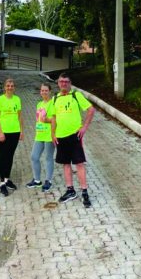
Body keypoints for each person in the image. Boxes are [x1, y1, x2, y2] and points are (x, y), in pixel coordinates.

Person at [46, 73, 95, 207]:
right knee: (66, 164)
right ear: (58, 83)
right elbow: (53, 118)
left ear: (70, 83)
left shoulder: (76, 95)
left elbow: (91, 110)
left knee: (79, 164)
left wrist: (84, 127)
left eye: (66, 82)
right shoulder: (55, 98)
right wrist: (53, 134)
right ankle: (70, 190)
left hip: (75, 136)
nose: (64, 84)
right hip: (60, 136)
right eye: (61, 82)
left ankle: (84, 192)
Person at [0, 78, 24, 197]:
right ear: (4, 87)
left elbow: (20, 116)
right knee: (4, 156)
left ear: (14, 87)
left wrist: (21, 131)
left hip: (15, 132)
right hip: (4, 133)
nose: (10, 87)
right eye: (8, 85)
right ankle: (2, 183)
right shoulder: (0, 100)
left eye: (12, 86)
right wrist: (0, 132)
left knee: (11, 156)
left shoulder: (17, 99)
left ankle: (7, 179)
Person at [26, 83, 55, 192]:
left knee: (48, 157)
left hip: (49, 135)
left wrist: (47, 120)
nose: (44, 92)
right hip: (39, 135)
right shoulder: (39, 104)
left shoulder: (53, 104)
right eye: (42, 90)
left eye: (46, 90)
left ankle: (48, 180)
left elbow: (55, 119)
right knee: (34, 156)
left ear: (50, 91)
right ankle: (37, 180)